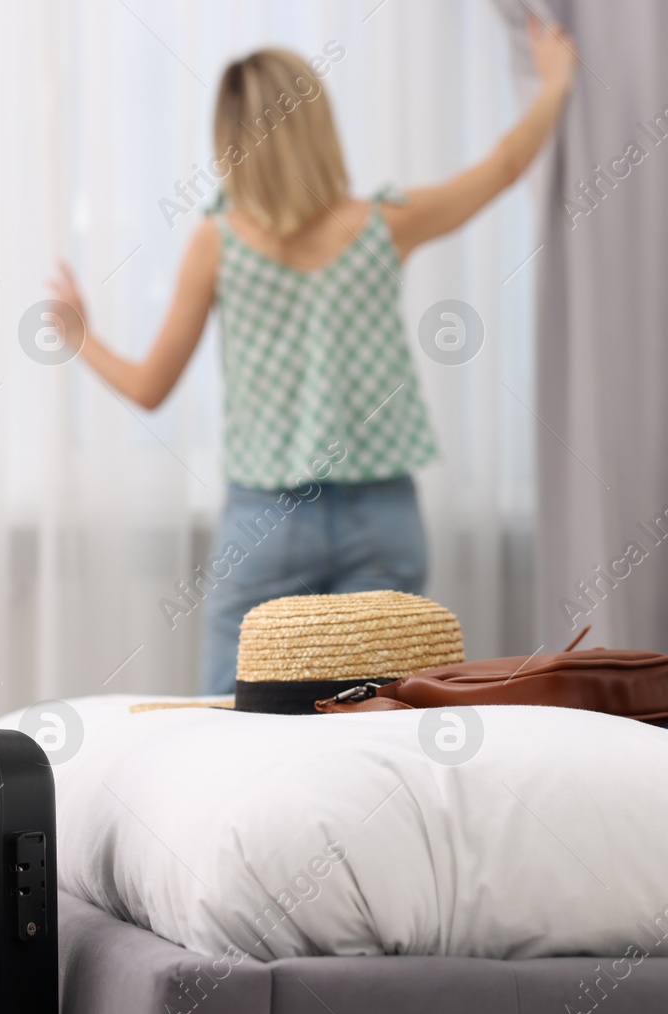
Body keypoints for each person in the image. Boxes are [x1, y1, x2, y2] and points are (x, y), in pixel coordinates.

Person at [50, 16, 577, 695]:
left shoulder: (217, 241)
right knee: (375, 729)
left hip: (265, 520)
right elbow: (503, 168)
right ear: (317, 126)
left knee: (231, 719)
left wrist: (80, 337)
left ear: (231, 143)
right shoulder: (384, 224)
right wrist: (554, 81)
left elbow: (152, 386)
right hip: (385, 517)